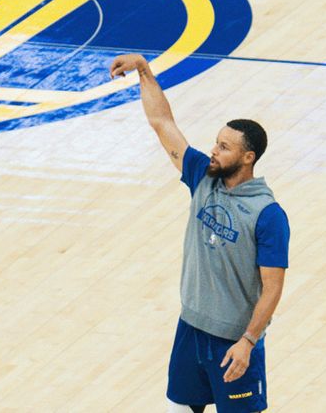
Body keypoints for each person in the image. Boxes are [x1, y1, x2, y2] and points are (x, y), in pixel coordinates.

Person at [110, 54, 290, 413]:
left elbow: (272, 288)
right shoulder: (202, 177)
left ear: (248, 157)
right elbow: (162, 122)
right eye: (216, 142)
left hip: (233, 342)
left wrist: (248, 341)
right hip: (190, 328)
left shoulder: (267, 214)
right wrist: (144, 70)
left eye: (224, 147)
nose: (214, 150)